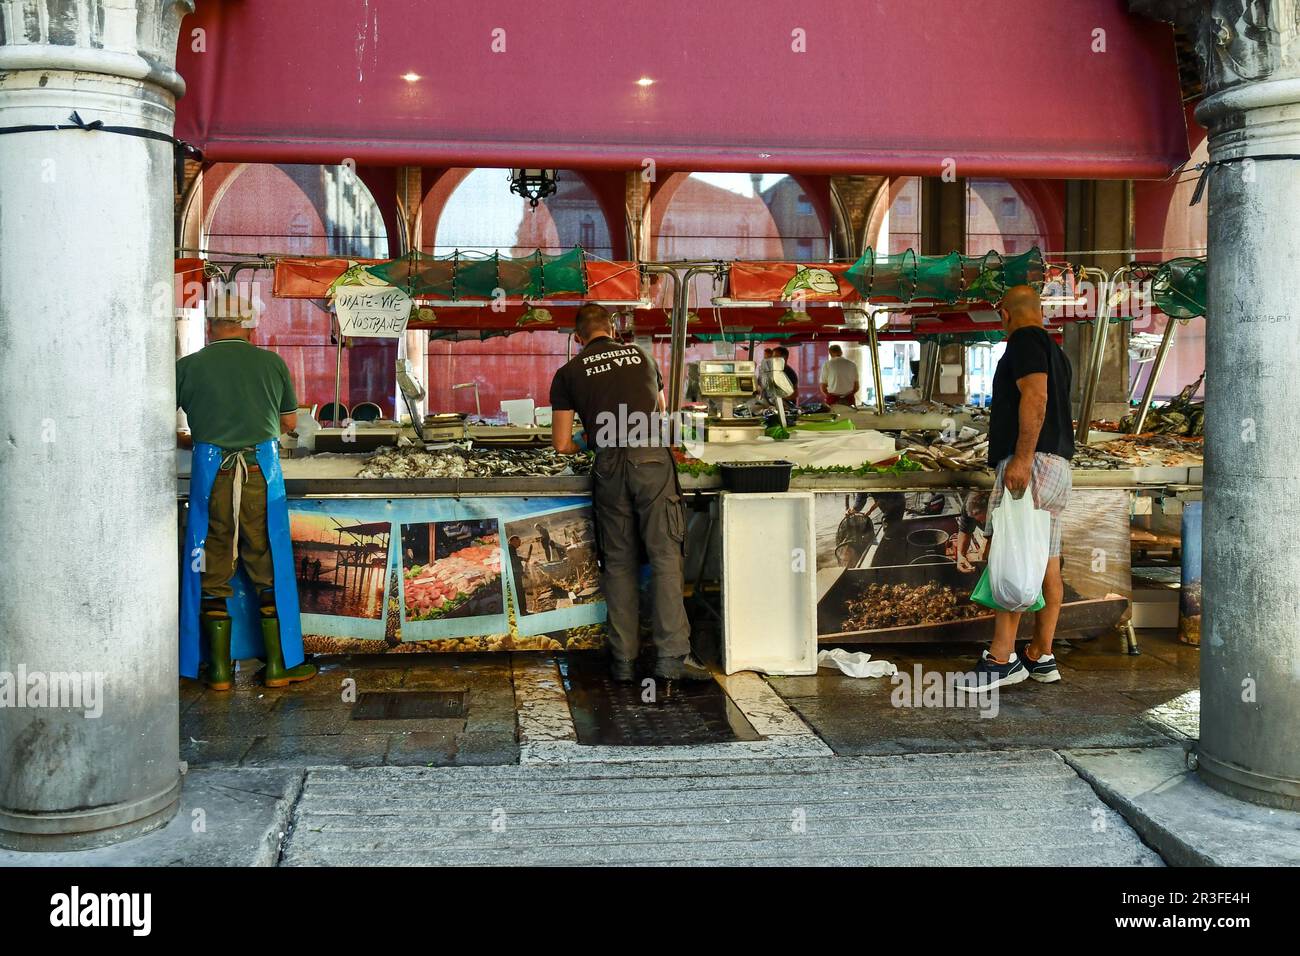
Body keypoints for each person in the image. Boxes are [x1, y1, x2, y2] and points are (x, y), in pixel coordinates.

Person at [550, 303, 710, 682]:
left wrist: (586, 441)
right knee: (665, 555)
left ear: (578, 338)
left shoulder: (568, 372)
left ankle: (623, 660)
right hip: (650, 460)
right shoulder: (642, 357)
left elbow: (560, 443)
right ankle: (671, 658)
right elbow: (660, 410)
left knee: (618, 561)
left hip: (608, 465)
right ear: (614, 330)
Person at [177, 290, 317, 691]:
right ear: (248, 323)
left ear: (210, 324)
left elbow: (163, 417)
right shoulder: (271, 363)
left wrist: (199, 438)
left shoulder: (187, 367)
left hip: (211, 475)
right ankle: (278, 666)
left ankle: (218, 672)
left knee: (211, 558)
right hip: (260, 473)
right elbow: (289, 423)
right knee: (265, 558)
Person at [958, 284, 1075, 692]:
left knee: (1010, 556)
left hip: (1034, 464)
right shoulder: (1057, 352)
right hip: (1057, 465)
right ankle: (1041, 655)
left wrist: (1022, 459)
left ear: (1004, 315)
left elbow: (1036, 398)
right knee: (1046, 563)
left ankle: (1001, 660)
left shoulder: (1024, 341)